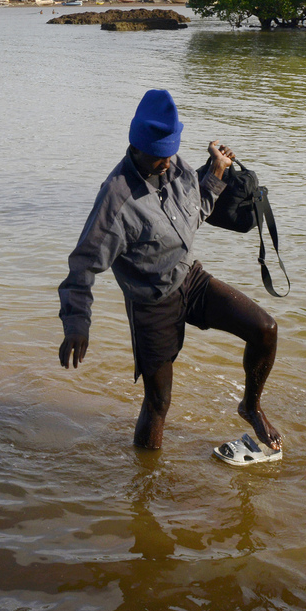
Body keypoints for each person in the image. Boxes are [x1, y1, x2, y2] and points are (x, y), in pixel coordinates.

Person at [57, 89, 281, 454]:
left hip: (189, 279)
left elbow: (197, 211)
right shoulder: (116, 200)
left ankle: (250, 406)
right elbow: (82, 267)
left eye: (171, 152)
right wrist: (77, 325)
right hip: (152, 304)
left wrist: (217, 173)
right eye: (160, 156)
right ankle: (146, 484)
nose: (168, 162)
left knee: (265, 329)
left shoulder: (177, 167)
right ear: (137, 146)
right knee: (159, 403)